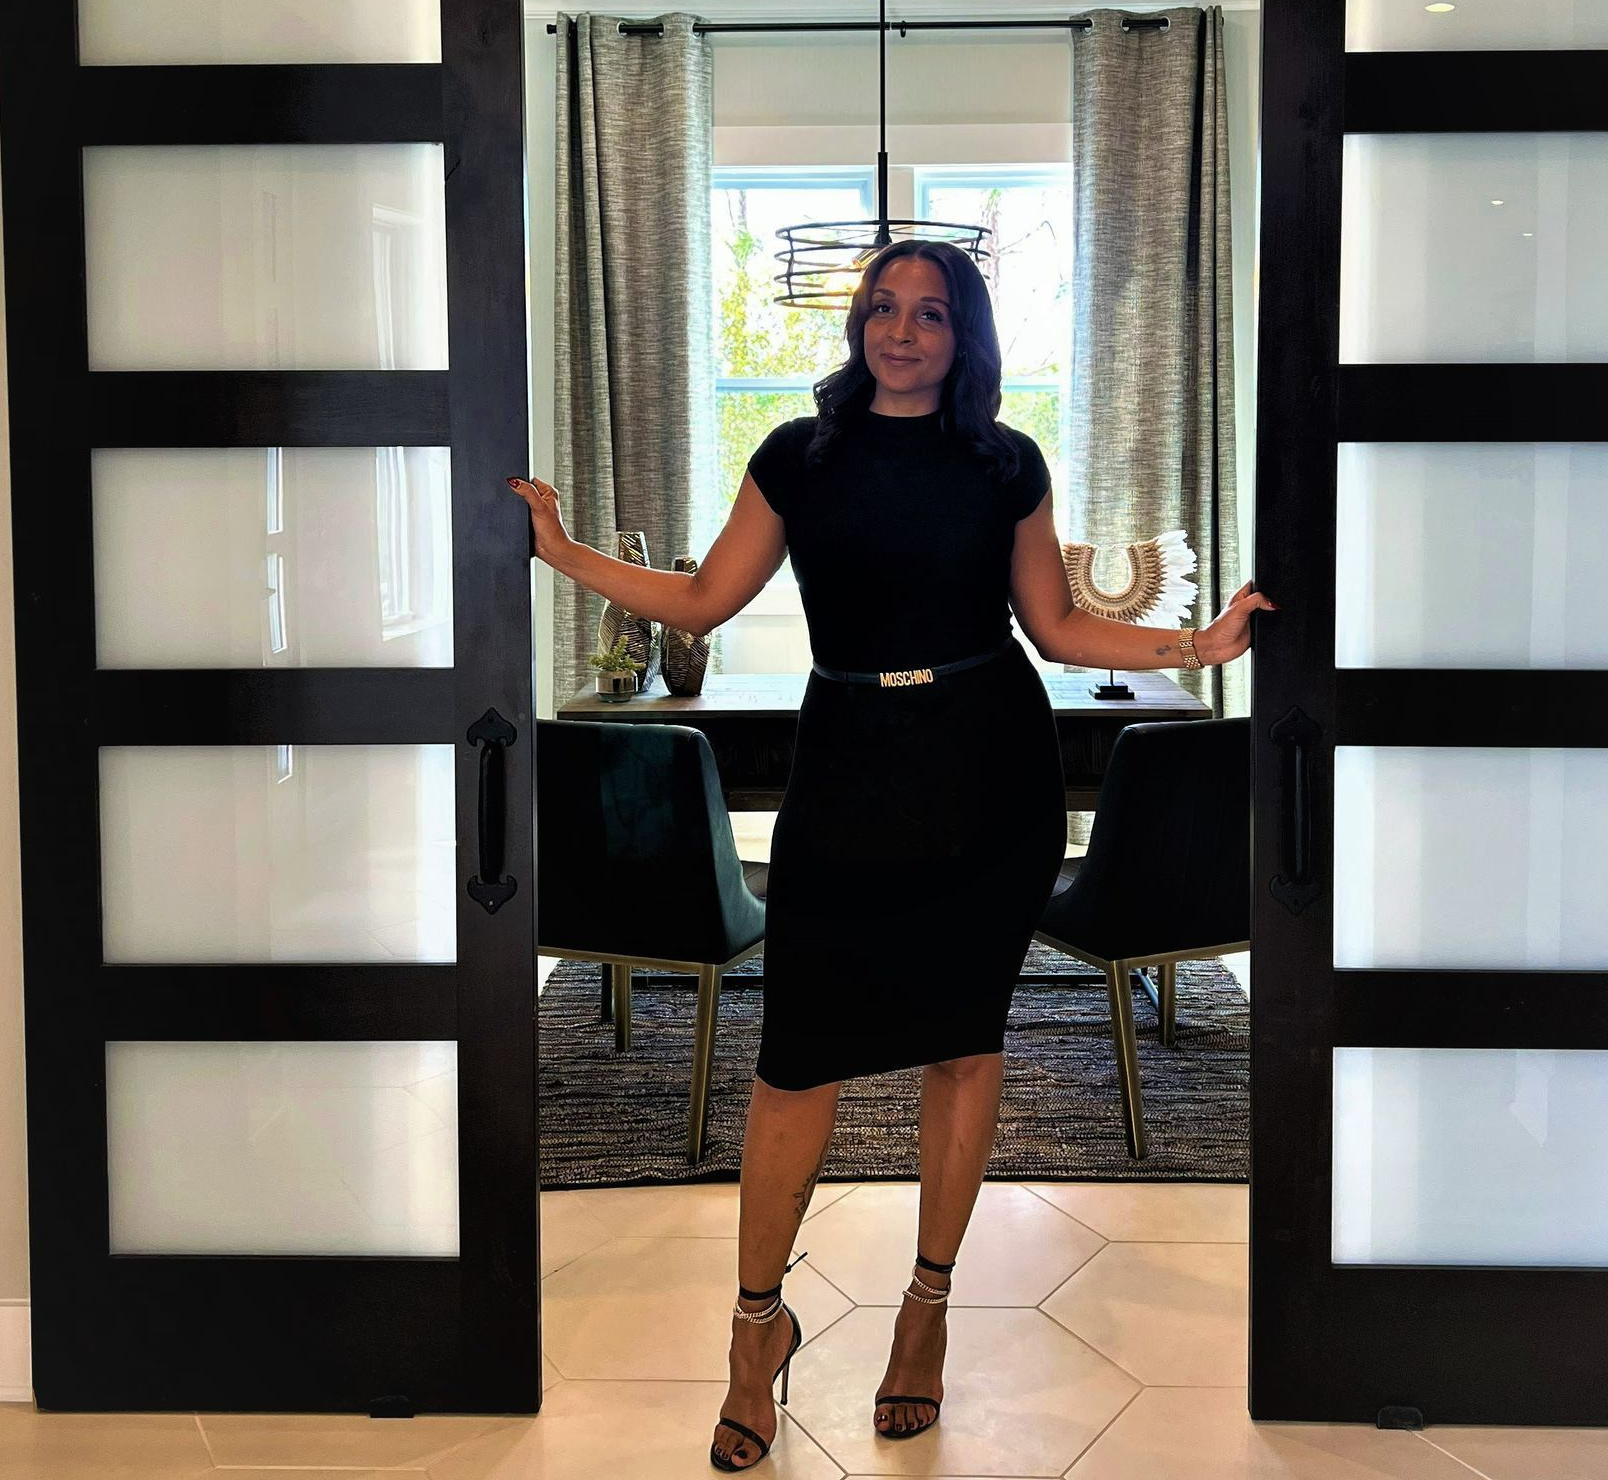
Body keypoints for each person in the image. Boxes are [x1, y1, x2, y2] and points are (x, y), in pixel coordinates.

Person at [511, 240, 1274, 1470]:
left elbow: (1060, 623)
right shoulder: (799, 457)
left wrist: (1205, 642)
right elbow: (705, 596)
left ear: (963, 334)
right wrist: (560, 551)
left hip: (990, 771)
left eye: (928, 312)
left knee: (967, 1047)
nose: (900, 330)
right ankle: (757, 1328)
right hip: (851, 764)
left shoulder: (1003, 462)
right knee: (795, 1060)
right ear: (859, 325)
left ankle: (926, 1313)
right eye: (881, 308)